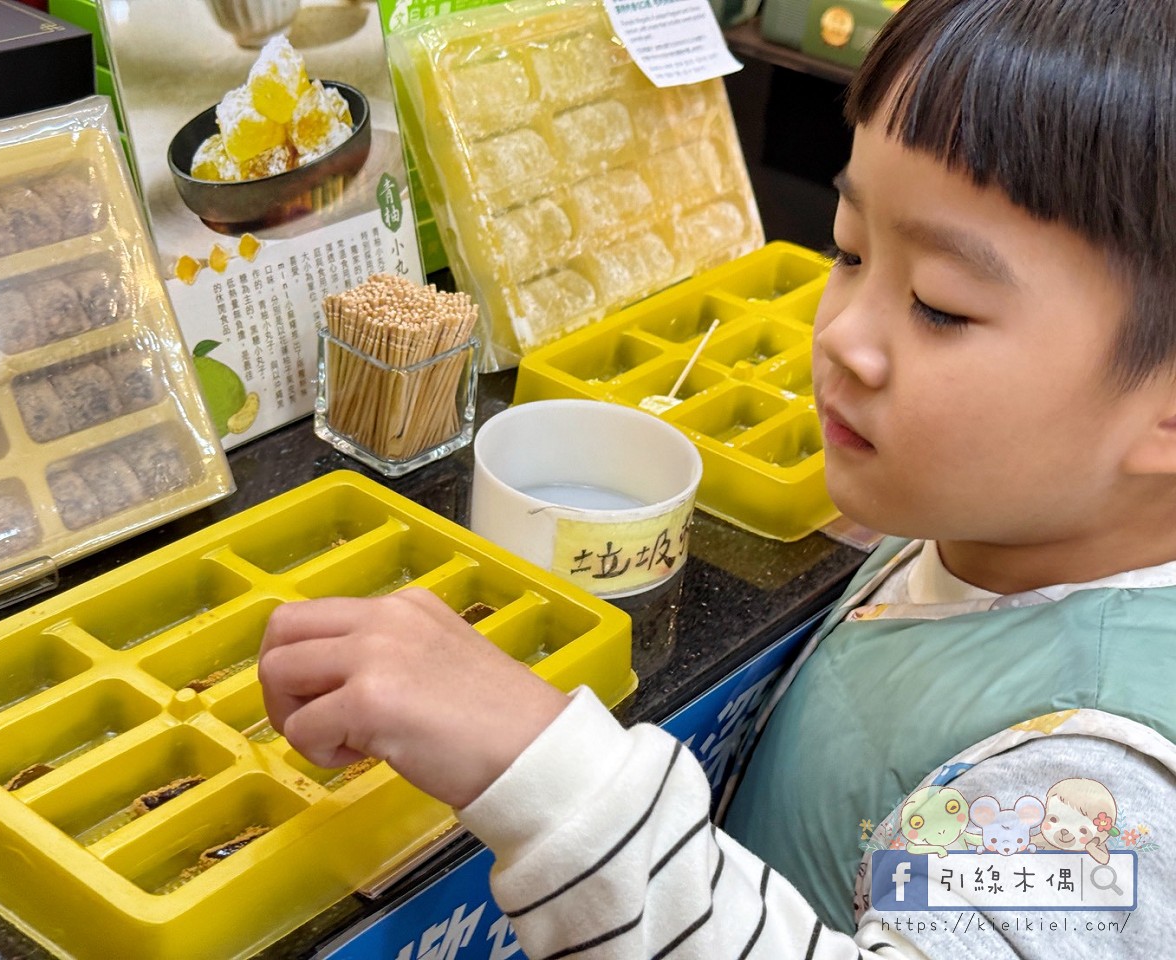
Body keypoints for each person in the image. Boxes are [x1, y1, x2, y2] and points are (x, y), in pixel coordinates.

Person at [258, 0, 1176, 954]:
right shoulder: (1003, 520)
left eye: (941, 307)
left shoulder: (1106, 794)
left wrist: (541, 769)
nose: (843, 335)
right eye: (850, 250)